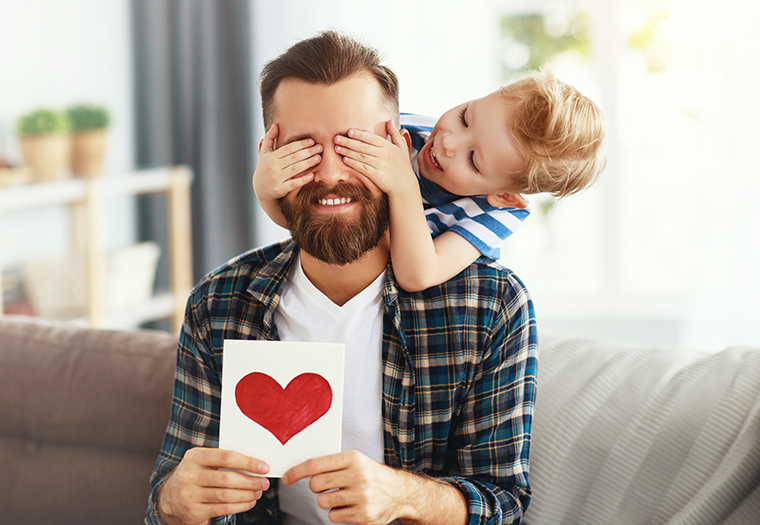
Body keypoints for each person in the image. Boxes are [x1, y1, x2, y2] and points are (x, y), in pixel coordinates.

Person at [146, 30, 537, 525]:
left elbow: (504, 505)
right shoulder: (218, 303)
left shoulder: (492, 306)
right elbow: (167, 499)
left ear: (396, 147)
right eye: (305, 150)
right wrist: (172, 503)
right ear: (271, 156)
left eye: (354, 147)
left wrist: (404, 496)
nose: (331, 172)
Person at [254, 67, 606, 292]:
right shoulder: (406, 130)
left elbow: (417, 275)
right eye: (466, 117)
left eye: (473, 160)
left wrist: (403, 186)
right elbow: (310, 219)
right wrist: (267, 191)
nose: (449, 142)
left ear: (504, 194)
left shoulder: (497, 215)